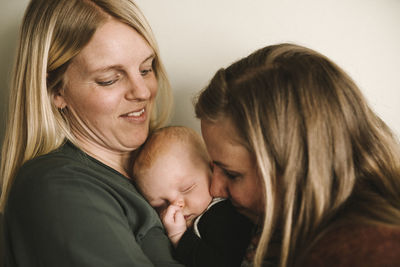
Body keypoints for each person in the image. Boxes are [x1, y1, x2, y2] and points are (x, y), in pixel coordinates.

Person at [0, 0, 184, 266]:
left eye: (146, 69)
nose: (142, 92)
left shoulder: (169, 153)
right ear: (56, 91)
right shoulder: (56, 189)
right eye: (109, 79)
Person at [194, 43, 400, 267]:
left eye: (232, 174)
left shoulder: (369, 252)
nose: (214, 189)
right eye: (213, 166)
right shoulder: (279, 226)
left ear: (298, 167)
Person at [133, 126, 254, 267]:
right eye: (160, 205)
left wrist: (180, 237)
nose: (175, 206)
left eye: (187, 189)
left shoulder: (223, 215)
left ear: (212, 170)